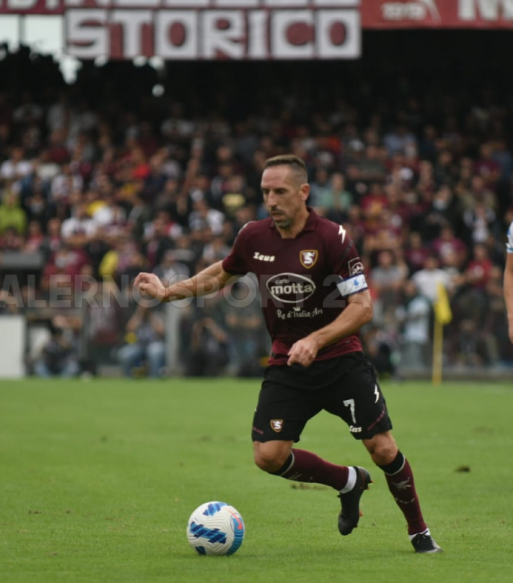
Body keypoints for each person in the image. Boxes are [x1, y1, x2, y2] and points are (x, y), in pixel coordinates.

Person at [134, 155, 441, 553]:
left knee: (382, 448)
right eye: (265, 192)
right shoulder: (253, 236)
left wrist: (316, 340)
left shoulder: (333, 237)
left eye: (279, 191)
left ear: (303, 192)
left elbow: (362, 307)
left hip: (340, 360)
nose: (271, 200)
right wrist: (167, 292)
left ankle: (419, 531)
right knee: (269, 455)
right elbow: (219, 275)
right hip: (288, 362)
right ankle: (347, 482)